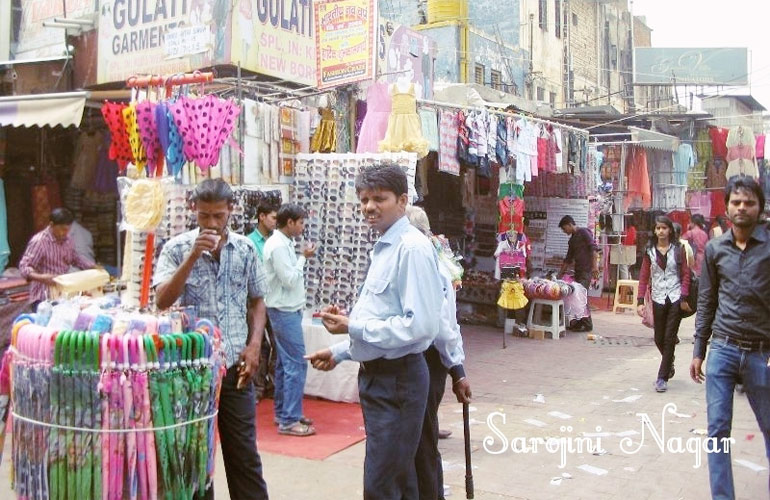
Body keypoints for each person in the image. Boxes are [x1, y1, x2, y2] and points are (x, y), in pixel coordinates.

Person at [305, 163, 444, 500]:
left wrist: (353, 326)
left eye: (378, 199)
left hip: (398, 381)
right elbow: (385, 316)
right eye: (364, 199)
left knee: (382, 486)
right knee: (398, 480)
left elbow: (420, 326)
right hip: (381, 379)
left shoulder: (411, 248)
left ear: (402, 200)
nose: (369, 207)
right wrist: (341, 351)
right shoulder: (386, 246)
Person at [153, 179, 269, 500]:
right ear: (194, 210)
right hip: (193, 371)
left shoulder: (245, 249)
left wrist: (255, 344)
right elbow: (162, 300)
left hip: (235, 367)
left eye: (218, 215)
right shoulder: (176, 248)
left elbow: (258, 300)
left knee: (244, 453)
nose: (212, 223)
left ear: (231, 210)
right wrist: (192, 257)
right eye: (205, 216)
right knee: (195, 455)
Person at [690, 176, 770, 499]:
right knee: (718, 431)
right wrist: (698, 350)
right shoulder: (714, 249)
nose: (741, 208)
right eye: (736, 202)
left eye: (749, 202)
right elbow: (707, 300)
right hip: (722, 350)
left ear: (759, 208)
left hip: (759, 355)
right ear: (726, 207)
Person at [405, 205, 472, 500]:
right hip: (415, 362)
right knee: (415, 439)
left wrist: (457, 369)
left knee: (422, 440)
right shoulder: (413, 258)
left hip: (427, 361)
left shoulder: (430, 263)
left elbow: (445, 324)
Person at [263, 203, 317, 437]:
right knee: (296, 363)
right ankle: (289, 419)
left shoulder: (283, 243)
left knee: (285, 364)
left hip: (287, 309)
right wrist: (303, 259)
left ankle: (284, 412)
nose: (303, 226)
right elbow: (289, 279)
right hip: (283, 310)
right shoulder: (278, 246)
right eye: (301, 222)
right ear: (290, 222)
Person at [636, 216, 691, 393]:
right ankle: (670, 362)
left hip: (675, 297)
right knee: (659, 337)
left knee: (669, 337)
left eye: (664, 228)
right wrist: (639, 301)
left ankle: (662, 377)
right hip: (658, 297)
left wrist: (683, 297)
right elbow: (644, 276)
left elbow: (686, 274)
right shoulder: (649, 251)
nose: (661, 231)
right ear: (654, 231)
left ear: (669, 231)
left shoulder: (678, 249)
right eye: (658, 228)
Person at [19, 207, 95, 309]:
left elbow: (74, 258)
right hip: (42, 297)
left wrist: (92, 266)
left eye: (67, 230)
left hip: (62, 294)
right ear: (51, 225)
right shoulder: (39, 242)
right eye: (62, 229)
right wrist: (42, 278)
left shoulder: (68, 240)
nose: (64, 233)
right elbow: (24, 267)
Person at [558, 215, 599, 331]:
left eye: (564, 228)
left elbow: (593, 249)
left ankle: (587, 323)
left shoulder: (584, 232)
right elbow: (568, 259)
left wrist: (595, 267)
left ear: (570, 225)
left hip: (586, 270)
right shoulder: (572, 240)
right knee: (576, 296)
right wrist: (559, 275)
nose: (564, 231)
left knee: (581, 296)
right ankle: (580, 321)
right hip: (578, 271)